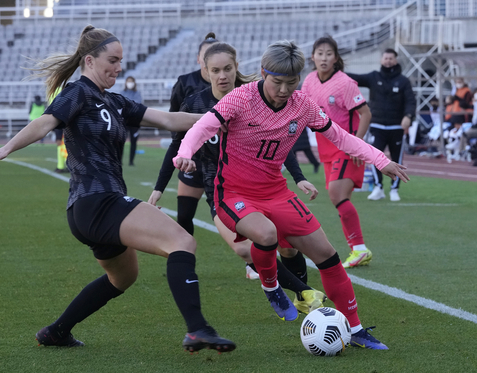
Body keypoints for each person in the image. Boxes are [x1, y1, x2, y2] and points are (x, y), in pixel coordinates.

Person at [0, 25, 235, 354]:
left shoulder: (115, 101)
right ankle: (198, 329)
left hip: (88, 210)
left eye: (121, 61)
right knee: (182, 241)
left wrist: (221, 117)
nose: (119, 67)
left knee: (123, 278)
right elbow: (46, 121)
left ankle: (56, 332)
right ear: (90, 61)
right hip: (99, 203)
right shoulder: (78, 92)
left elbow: (169, 120)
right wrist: (8, 147)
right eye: (113, 60)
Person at [174, 40, 409, 349]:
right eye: (277, 82)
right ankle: (271, 286)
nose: (284, 89)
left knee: (327, 255)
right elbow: (202, 127)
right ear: (262, 74)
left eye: (291, 82)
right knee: (267, 234)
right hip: (232, 192)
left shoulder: (304, 104)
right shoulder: (240, 98)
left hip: (276, 191)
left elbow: (340, 136)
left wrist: (382, 160)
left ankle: (355, 329)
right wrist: (185, 153)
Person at [150, 41, 326, 314]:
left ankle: (301, 293)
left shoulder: (256, 94)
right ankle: (302, 292)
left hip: (262, 183)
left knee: (287, 246)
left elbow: (281, 141)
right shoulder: (196, 102)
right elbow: (178, 143)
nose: (222, 75)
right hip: (217, 184)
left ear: (237, 68)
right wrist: (159, 187)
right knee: (242, 249)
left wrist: (299, 176)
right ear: (205, 71)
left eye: (228, 69)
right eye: (215, 70)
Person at [301, 35, 374, 269]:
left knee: (336, 194)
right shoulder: (309, 81)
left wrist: (357, 143)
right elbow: (301, 110)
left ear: (336, 58)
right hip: (325, 148)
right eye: (319, 53)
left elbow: (366, 114)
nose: (324, 58)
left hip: (346, 146)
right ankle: (358, 250)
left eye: (328, 53)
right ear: (312, 57)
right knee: (340, 199)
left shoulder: (345, 83)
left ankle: (360, 249)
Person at [150, 32, 218, 241]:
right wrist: (159, 187)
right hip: (192, 160)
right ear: (199, 58)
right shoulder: (185, 83)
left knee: (233, 220)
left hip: (222, 164)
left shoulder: (233, 86)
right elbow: (174, 123)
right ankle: (185, 264)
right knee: (184, 217)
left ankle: (252, 265)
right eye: (205, 56)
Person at [347, 48, 415, 202]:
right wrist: (336, 72)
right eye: (386, 58)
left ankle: (394, 189)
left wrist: (409, 116)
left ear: (396, 60)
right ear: (381, 60)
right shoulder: (373, 77)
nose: (388, 61)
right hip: (377, 125)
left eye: (391, 58)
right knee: (375, 157)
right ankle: (378, 187)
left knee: (397, 158)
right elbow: (354, 78)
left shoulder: (403, 81)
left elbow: (411, 101)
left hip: (396, 126)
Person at [121, 76, 143, 166]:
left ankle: (131, 161)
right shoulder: (122, 93)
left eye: (131, 81)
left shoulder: (137, 93)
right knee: (120, 141)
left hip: (134, 121)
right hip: (124, 121)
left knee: (133, 141)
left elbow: (138, 105)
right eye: (128, 81)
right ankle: (119, 160)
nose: (130, 83)